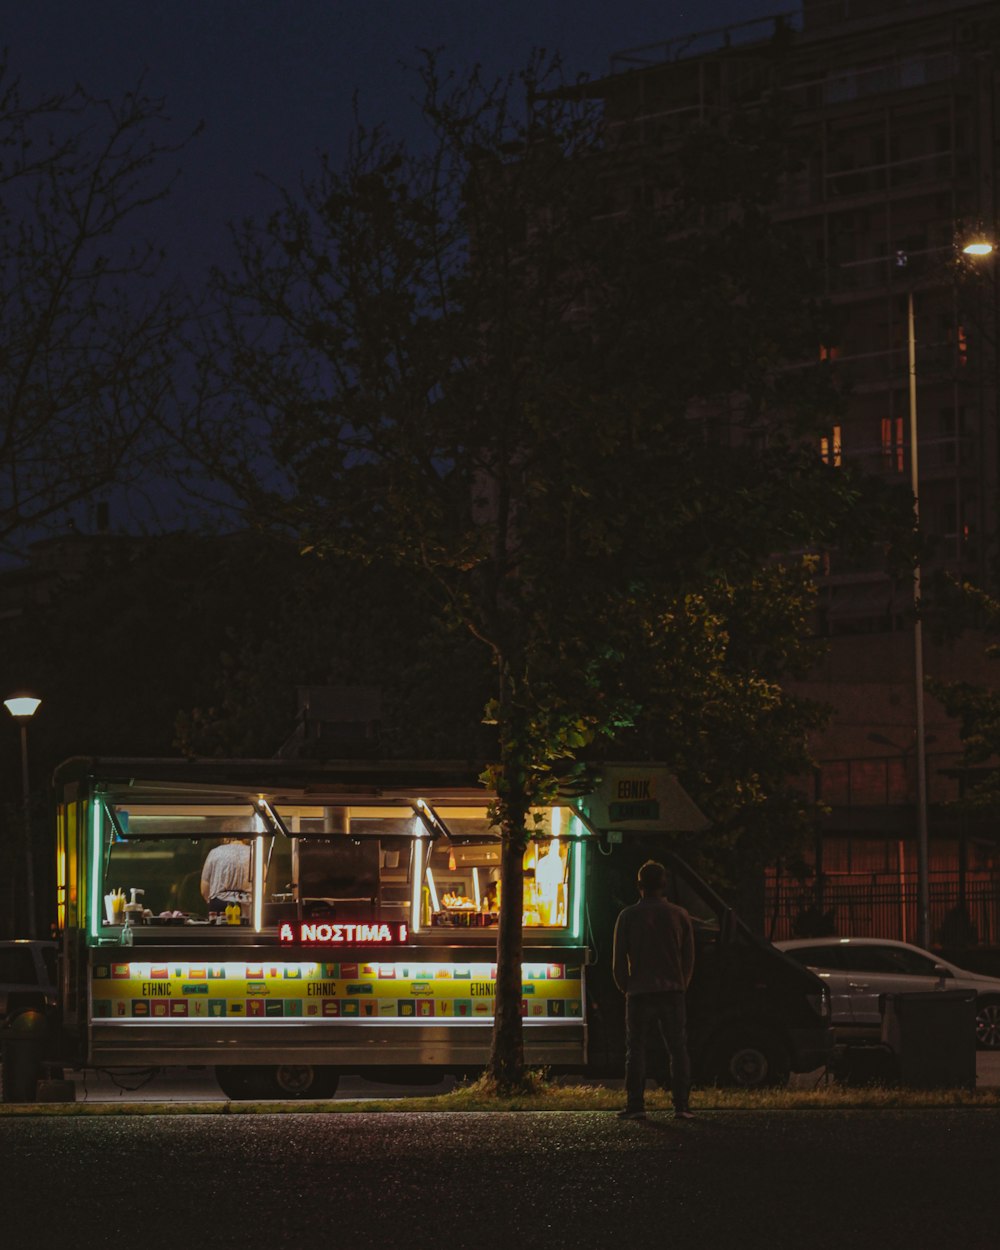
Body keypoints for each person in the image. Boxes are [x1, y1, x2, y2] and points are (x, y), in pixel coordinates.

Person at [612, 859, 695, 1121]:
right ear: (664, 884)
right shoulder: (680, 915)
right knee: (677, 1048)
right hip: (672, 991)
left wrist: (626, 986)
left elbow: (618, 960)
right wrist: (682, 983)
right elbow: (689, 957)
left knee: (635, 1049)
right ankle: (681, 1105)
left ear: (639, 886)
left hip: (639, 991)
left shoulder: (627, 916)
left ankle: (636, 1105)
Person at [200, 838, 252, 913]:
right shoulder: (256, 853)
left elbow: (204, 890)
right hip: (248, 907)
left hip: (219, 905)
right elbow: (262, 888)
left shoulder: (215, 853)